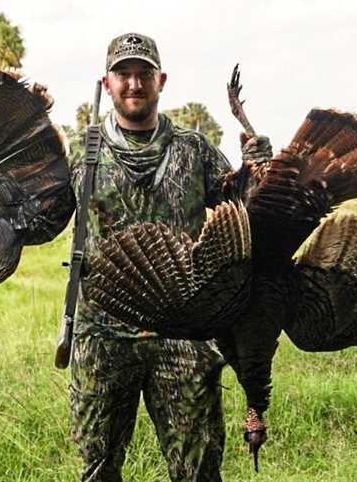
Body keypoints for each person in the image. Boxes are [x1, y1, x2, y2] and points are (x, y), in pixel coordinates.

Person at [69, 32, 271, 482]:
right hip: (102, 335)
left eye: (143, 74)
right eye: (124, 74)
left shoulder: (192, 148)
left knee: (198, 470)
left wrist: (260, 171)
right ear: (107, 83)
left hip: (184, 333)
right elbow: (33, 215)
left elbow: (242, 212)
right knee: (97, 470)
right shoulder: (80, 150)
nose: (134, 84)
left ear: (161, 81)